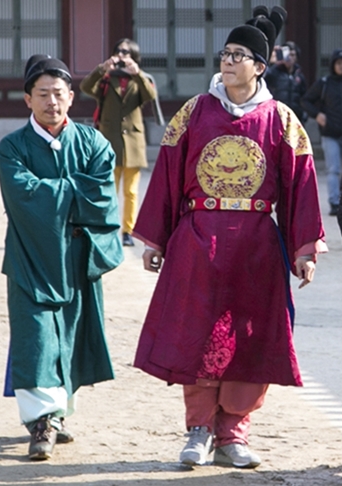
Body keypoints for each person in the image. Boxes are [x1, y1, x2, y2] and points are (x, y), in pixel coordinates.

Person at [132, 5, 328, 469]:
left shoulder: (281, 118)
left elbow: (301, 184)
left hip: (258, 246)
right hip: (198, 240)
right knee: (196, 334)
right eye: (226, 53)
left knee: (249, 337)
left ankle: (233, 434)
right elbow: (167, 173)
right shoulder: (194, 111)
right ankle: (198, 430)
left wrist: (304, 250)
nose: (228, 60)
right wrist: (155, 239)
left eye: (240, 55)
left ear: (260, 66)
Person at [0, 55, 123, 460]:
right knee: (36, 338)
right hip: (32, 256)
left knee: (70, 338)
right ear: (27, 100)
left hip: (78, 257)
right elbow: (23, 197)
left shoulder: (93, 143)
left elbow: (103, 196)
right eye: (43, 94)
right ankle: (42, 423)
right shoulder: (13, 147)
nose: (52, 102)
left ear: (72, 97)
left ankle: (59, 413)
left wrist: (57, 190)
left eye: (59, 93)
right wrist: (74, 192)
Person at [80, 38, 158, 247]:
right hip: (109, 139)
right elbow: (86, 87)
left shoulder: (138, 80)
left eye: (127, 52)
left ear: (134, 57)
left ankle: (128, 230)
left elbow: (150, 95)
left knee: (131, 191)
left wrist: (138, 73)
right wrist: (102, 69)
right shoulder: (107, 79)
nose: (122, 56)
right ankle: (108, 226)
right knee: (109, 188)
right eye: (119, 52)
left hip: (133, 141)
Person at [301, 49, 342, 216]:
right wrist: (317, 115)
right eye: (339, 63)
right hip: (329, 133)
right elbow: (306, 100)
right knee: (333, 169)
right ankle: (334, 202)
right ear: (333, 65)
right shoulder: (324, 83)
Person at [265, 40, 307, 123]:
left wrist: (304, 114)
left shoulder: (299, 75)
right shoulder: (273, 72)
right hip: (277, 117)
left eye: (292, 55)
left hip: (295, 118)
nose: (289, 58)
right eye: (287, 54)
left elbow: (304, 96)